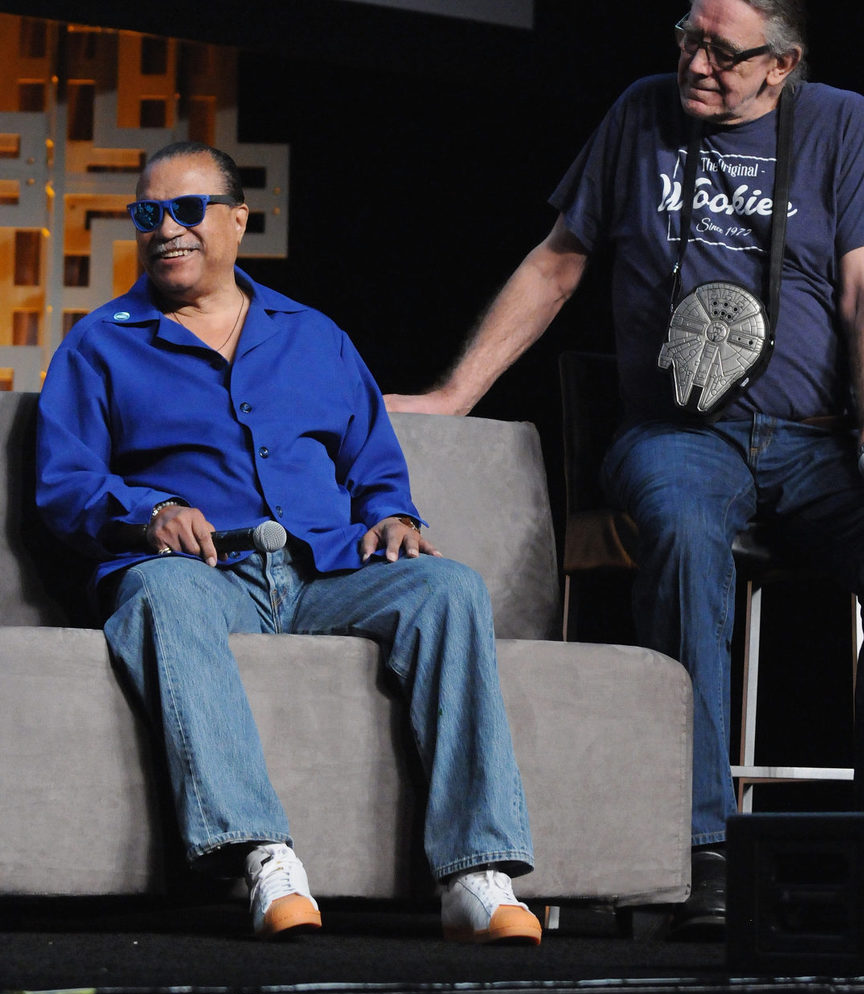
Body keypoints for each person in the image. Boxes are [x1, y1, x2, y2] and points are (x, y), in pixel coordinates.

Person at [386, 0, 864, 934]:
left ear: (783, 64)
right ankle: (699, 852)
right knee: (687, 540)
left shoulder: (839, 126)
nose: (696, 63)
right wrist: (451, 394)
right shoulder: (640, 114)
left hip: (819, 447)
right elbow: (557, 267)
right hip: (677, 438)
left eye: (722, 53)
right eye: (687, 37)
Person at [36, 141, 542, 946]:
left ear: (238, 220)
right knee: (158, 593)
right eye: (149, 213)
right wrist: (147, 509)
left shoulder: (314, 336)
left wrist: (394, 516)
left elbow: (374, 463)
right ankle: (264, 859)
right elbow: (64, 484)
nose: (167, 228)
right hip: (203, 572)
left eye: (188, 209)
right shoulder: (102, 342)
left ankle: (476, 873)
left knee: (447, 587)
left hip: (323, 570)